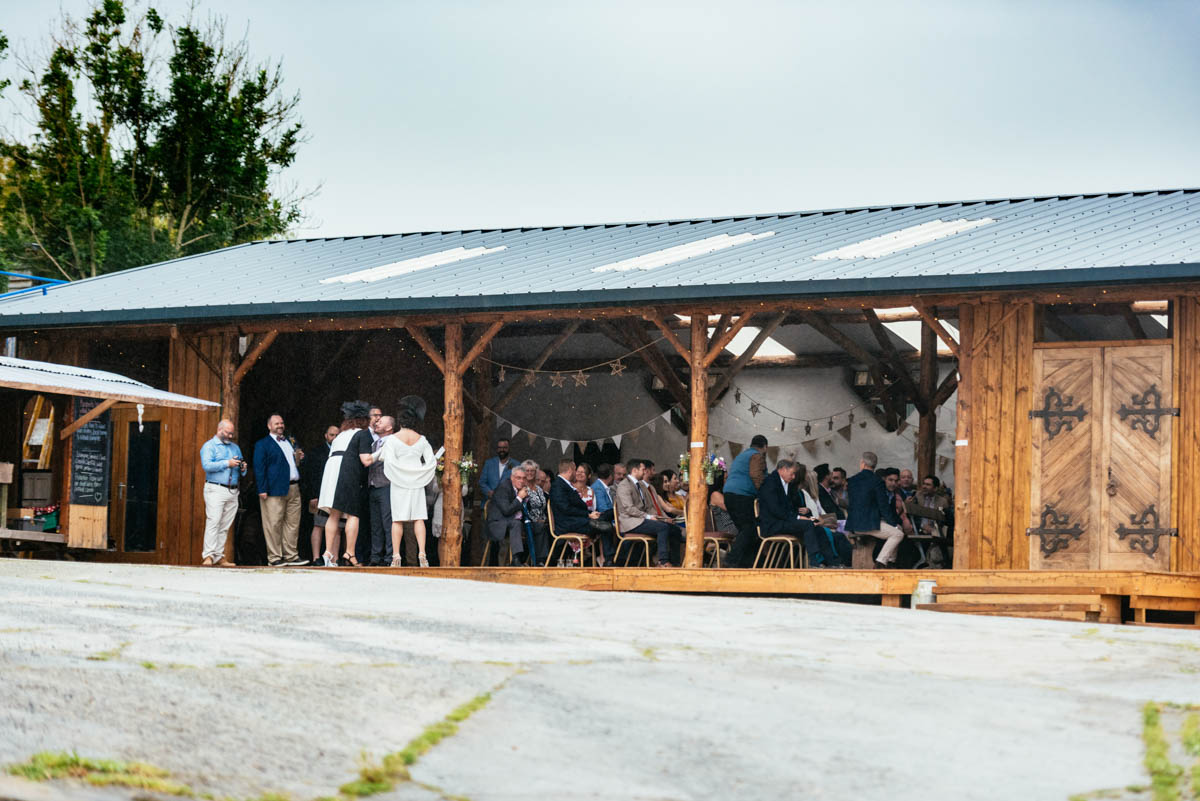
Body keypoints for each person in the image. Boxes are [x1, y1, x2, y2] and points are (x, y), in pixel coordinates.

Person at [376, 396, 437, 567]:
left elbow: (387, 460)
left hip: (399, 482)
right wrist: (419, 473)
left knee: (397, 519)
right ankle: (422, 553)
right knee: (418, 518)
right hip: (416, 483)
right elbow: (431, 462)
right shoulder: (422, 439)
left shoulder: (393, 439)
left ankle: (396, 556)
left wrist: (400, 472)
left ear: (400, 421)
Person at [318, 401, 374, 567]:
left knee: (334, 514)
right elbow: (365, 459)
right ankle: (349, 552)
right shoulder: (363, 434)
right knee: (353, 513)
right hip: (348, 471)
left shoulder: (341, 435)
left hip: (331, 472)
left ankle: (328, 552)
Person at [253, 414, 307, 567]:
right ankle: (274, 557)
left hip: (294, 487)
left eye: (282, 423)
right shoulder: (262, 444)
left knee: (293, 523)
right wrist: (262, 488)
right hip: (273, 489)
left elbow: (294, 463)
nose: (280, 425)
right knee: (273, 523)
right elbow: (259, 468)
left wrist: (300, 458)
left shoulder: (291, 441)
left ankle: (291, 555)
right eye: (276, 423)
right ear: (269, 426)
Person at [613, 458, 682, 567]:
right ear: (635, 470)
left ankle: (675, 562)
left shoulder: (641, 485)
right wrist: (648, 517)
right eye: (643, 469)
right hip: (630, 522)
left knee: (673, 528)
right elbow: (629, 509)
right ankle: (663, 561)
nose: (645, 472)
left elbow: (649, 507)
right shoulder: (624, 485)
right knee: (662, 528)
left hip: (641, 519)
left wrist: (663, 518)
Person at [549, 459, 613, 565]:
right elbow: (565, 508)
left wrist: (590, 514)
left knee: (607, 516)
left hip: (577, 520)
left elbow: (576, 507)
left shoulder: (565, 484)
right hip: (568, 524)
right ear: (570, 470)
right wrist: (588, 514)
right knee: (606, 527)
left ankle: (608, 559)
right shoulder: (558, 485)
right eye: (575, 470)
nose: (576, 473)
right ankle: (608, 560)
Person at [846, 451, 905, 568]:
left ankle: (890, 562)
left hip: (854, 523)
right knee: (898, 533)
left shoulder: (852, 480)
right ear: (874, 466)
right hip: (868, 524)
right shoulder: (877, 481)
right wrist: (893, 523)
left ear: (862, 463)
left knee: (896, 529)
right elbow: (883, 506)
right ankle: (881, 563)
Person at [200, 419, 245, 567]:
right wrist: (227, 463)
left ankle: (219, 556)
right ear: (220, 429)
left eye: (232, 433)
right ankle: (208, 556)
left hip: (232, 490)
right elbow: (207, 465)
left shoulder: (235, 448)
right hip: (215, 488)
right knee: (214, 521)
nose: (230, 436)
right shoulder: (209, 446)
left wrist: (243, 468)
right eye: (228, 433)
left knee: (225, 525)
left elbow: (239, 467)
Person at [724, 436, 769, 568]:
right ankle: (731, 560)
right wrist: (764, 493)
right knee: (750, 528)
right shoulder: (756, 456)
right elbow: (757, 476)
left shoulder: (742, 455)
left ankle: (747, 562)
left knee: (746, 529)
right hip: (742, 495)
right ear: (765, 447)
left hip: (729, 493)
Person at [304, 425, 339, 566]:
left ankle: (334, 558)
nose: (334, 438)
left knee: (338, 527)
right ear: (326, 435)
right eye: (331, 435)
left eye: (337, 435)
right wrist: (313, 495)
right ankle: (316, 557)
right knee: (318, 525)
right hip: (319, 494)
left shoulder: (342, 451)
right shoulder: (316, 452)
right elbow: (311, 475)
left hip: (336, 495)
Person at [486, 464, 531, 565]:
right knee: (516, 524)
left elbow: (525, 510)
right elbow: (506, 511)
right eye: (518, 478)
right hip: (497, 523)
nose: (522, 481)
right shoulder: (504, 487)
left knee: (536, 526)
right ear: (512, 478)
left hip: (510, 522)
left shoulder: (522, 489)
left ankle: (539, 561)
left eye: (524, 478)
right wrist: (519, 497)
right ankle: (516, 559)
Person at [367, 415, 395, 566]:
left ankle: (389, 557)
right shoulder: (373, 443)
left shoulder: (392, 442)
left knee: (387, 523)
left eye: (381, 422)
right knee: (375, 524)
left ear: (389, 427)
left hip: (386, 485)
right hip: (372, 486)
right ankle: (375, 557)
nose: (377, 423)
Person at [521, 460, 550, 563]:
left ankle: (550, 559)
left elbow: (544, 506)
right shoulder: (522, 488)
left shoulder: (539, 489)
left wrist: (545, 519)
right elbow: (523, 508)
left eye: (532, 471)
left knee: (549, 527)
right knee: (541, 527)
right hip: (527, 521)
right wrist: (537, 520)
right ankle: (540, 560)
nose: (530, 473)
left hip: (542, 521)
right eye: (527, 470)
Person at [479, 439, 517, 507]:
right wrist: (489, 492)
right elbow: (482, 482)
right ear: (497, 449)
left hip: (508, 505)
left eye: (504, 448)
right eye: (499, 447)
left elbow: (519, 484)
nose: (502, 450)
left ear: (509, 449)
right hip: (489, 504)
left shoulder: (516, 465)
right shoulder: (489, 463)